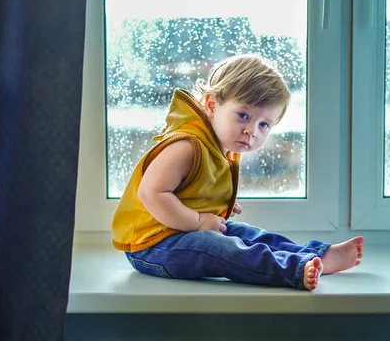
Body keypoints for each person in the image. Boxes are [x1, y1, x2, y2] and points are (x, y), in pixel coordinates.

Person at [111, 54, 364, 291]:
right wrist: (199, 221)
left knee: (249, 234)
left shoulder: (218, 145)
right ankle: (294, 270)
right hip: (152, 247)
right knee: (218, 246)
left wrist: (216, 200)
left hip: (181, 233)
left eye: (264, 124)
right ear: (212, 105)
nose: (252, 131)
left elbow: (192, 188)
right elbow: (152, 193)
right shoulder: (186, 146)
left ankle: (316, 255)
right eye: (243, 115)